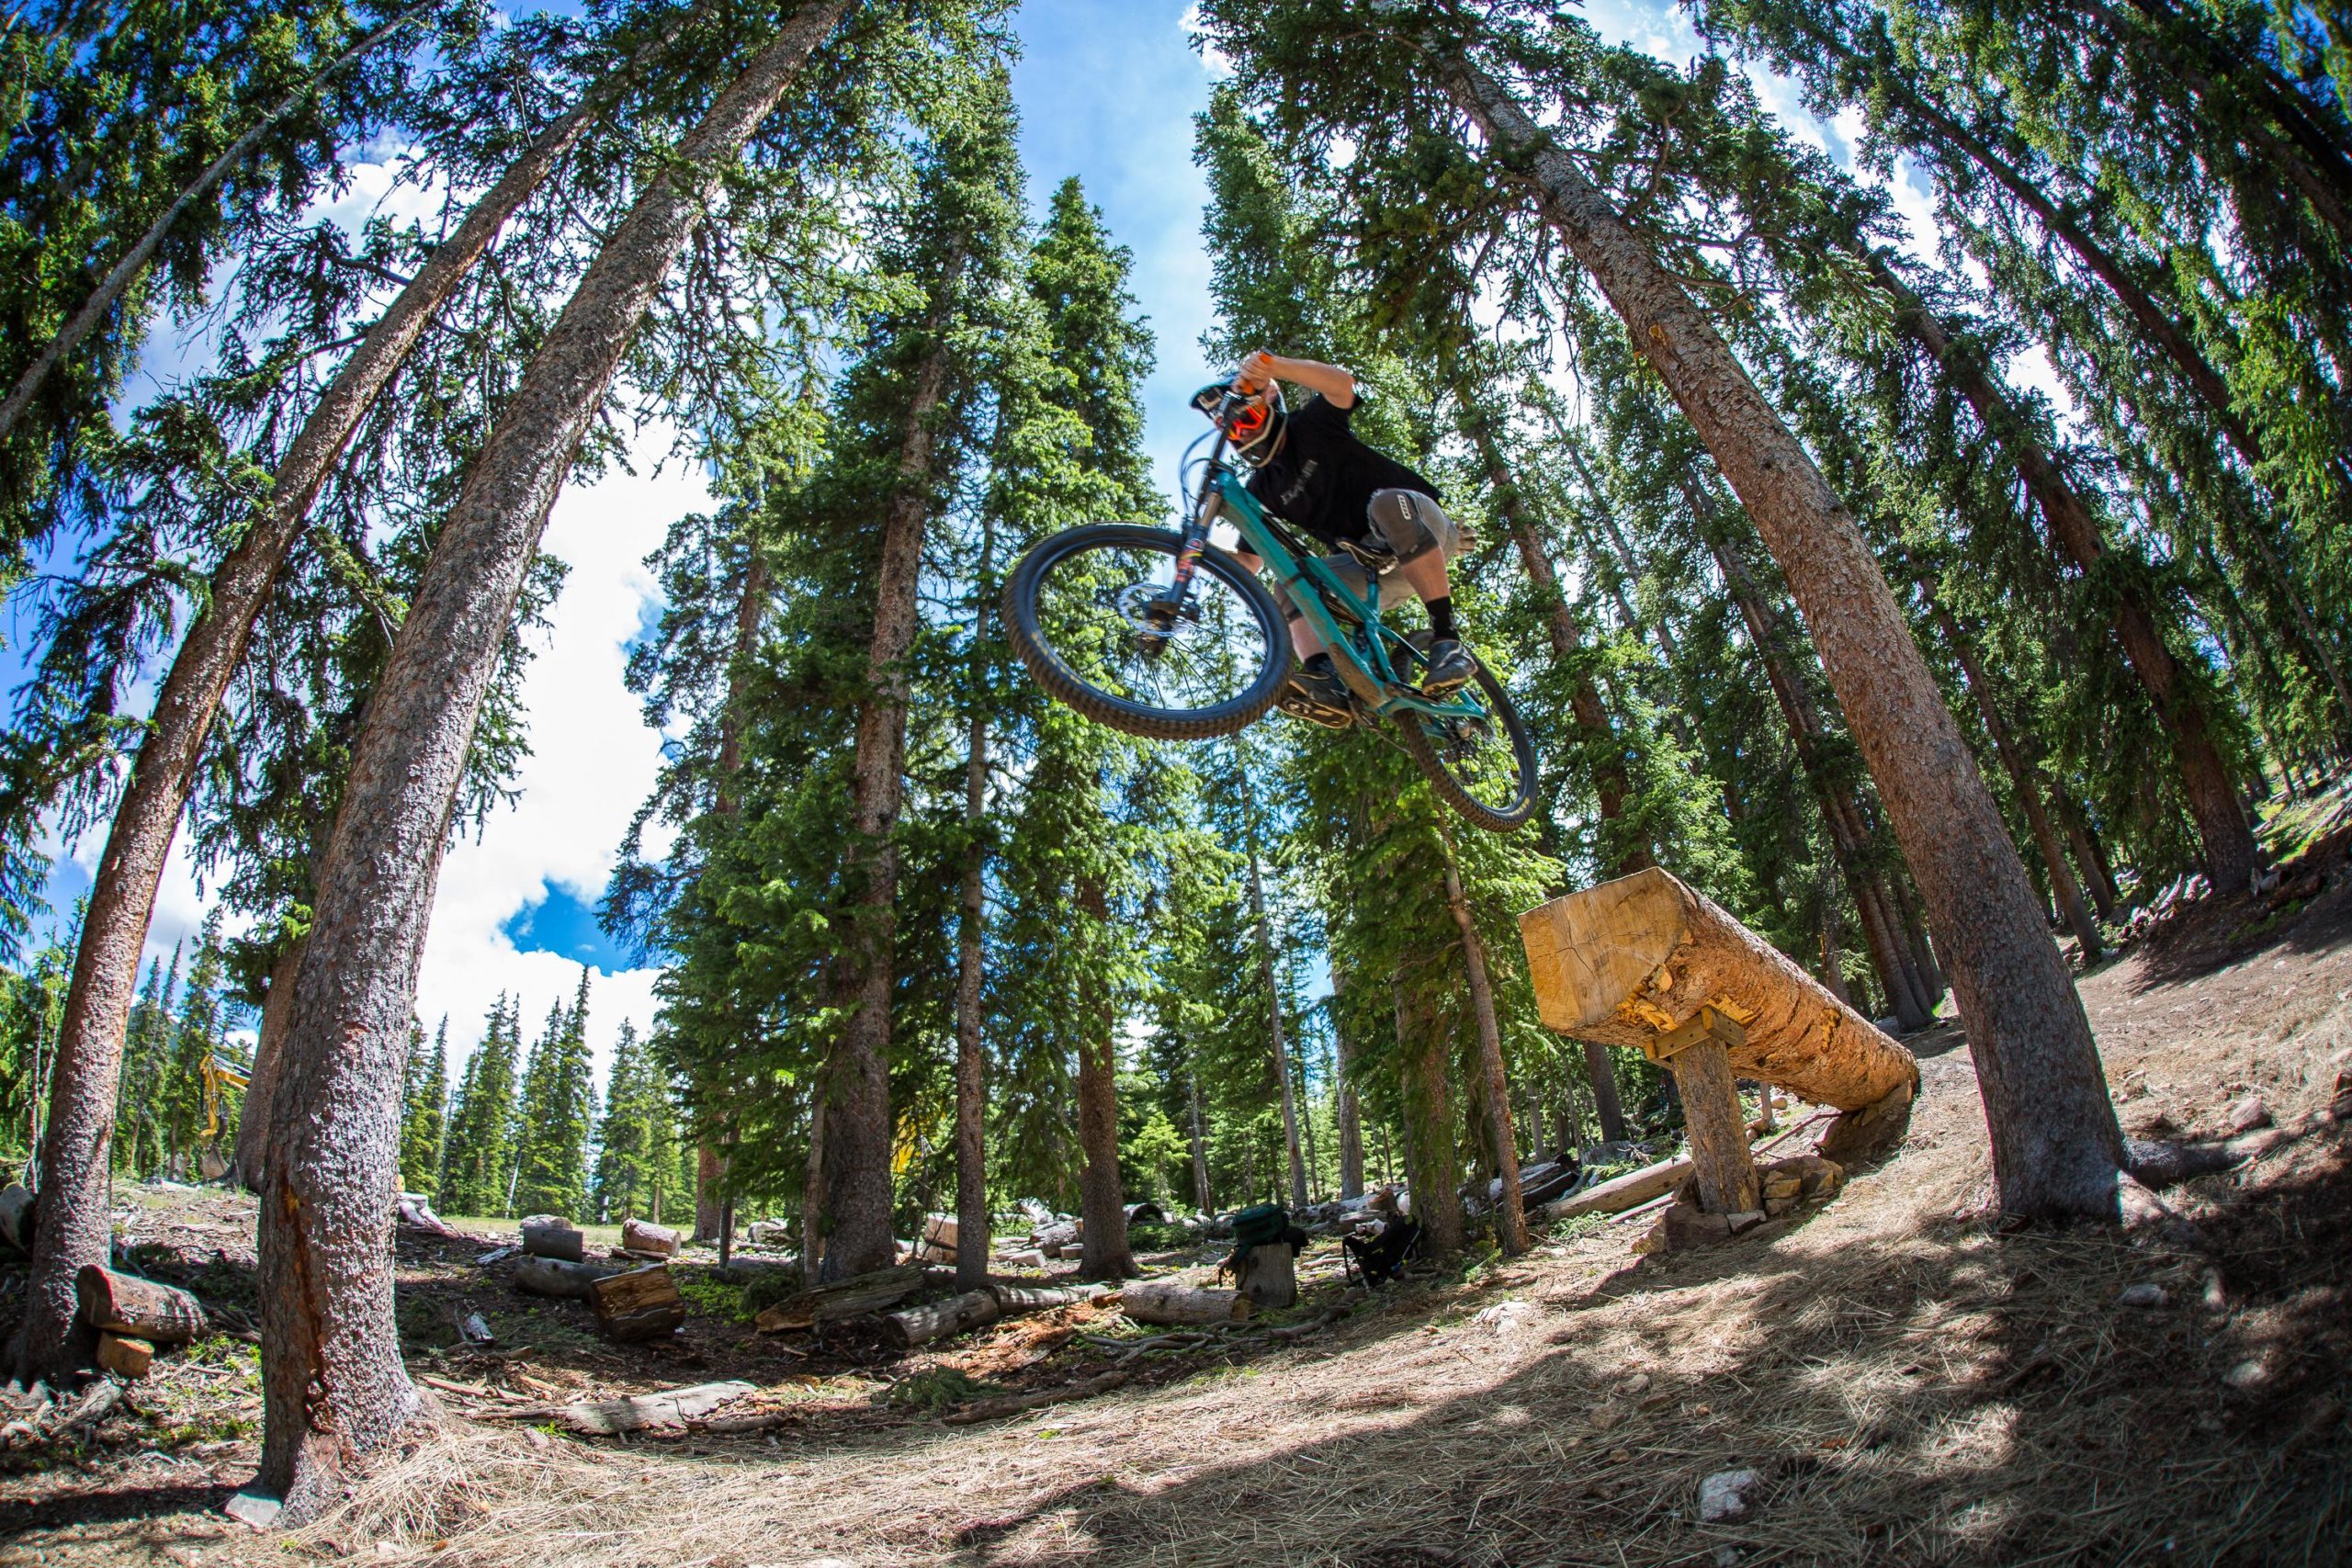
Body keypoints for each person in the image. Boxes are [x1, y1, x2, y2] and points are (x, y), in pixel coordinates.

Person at [1193, 349, 1474, 728]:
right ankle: (1327, 683)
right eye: (1233, 430)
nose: (1242, 433)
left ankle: (1448, 641)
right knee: (1289, 585)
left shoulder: (1311, 425)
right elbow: (1249, 564)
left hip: (1419, 524)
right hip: (1373, 568)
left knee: (1386, 504)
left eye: (1248, 419)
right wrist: (1198, 550)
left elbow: (1342, 385)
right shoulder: (1261, 487)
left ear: (1270, 400)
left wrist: (1274, 367)